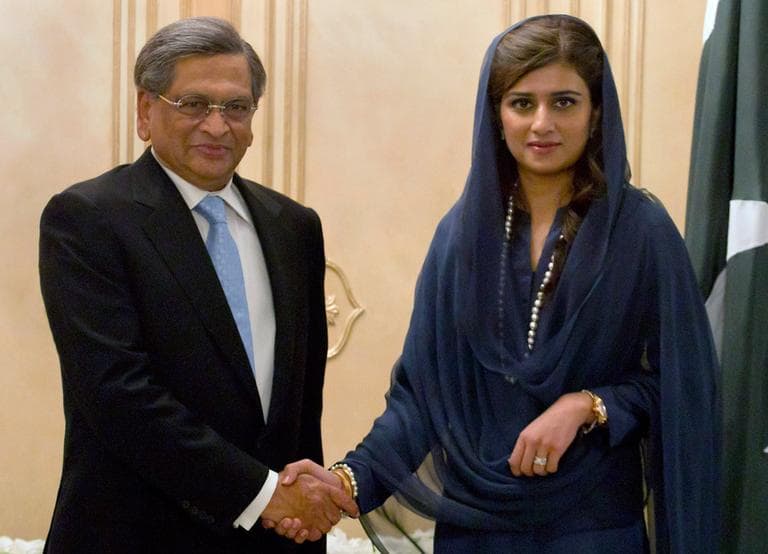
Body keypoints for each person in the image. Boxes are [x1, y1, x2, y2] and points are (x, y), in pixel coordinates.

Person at [269, 14, 720, 553]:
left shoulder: (641, 231)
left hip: (592, 529)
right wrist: (347, 480)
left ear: (597, 112)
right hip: (474, 530)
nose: (541, 123)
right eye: (522, 103)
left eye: (565, 102)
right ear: (496, 116)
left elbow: (682, 386)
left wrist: (589, 404)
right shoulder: (461, 237)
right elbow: (421, 400)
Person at [38, 16, 356, 553]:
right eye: (193, 104)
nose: (217, 125)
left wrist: (300, 516)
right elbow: (119, 396)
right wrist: (262, 495)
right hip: (134, 534)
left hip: (273, 538)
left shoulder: (294, 227)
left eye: (236, 106)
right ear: (146, 111)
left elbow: (300, 411)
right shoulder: (87, 219)